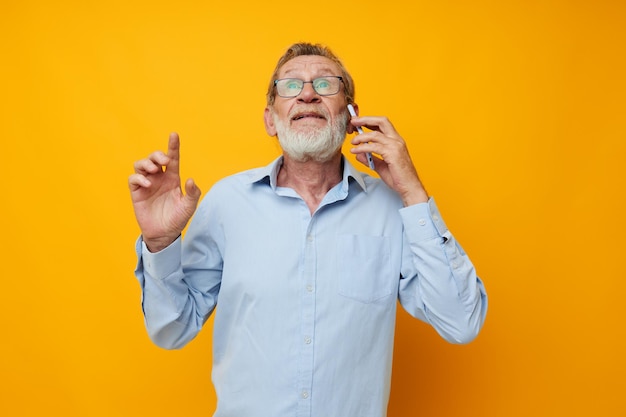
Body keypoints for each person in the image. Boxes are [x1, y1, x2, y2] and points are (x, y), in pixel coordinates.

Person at [129, 42, 488, 417]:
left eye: (325, 84)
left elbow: (461, 321)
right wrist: (160, 243)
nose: (307, 94)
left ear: (351, 115)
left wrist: (413, 192)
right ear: (270, 119)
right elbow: (172, 329)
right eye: (291, 86)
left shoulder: (391, 208)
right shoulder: (226, 203)